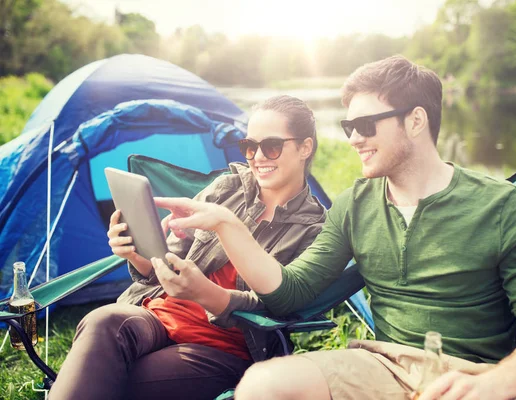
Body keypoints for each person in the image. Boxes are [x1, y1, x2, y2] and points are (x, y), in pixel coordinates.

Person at [154, 55, 516, 400]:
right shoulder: (356, 203)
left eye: (366, 126)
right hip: (383, 365)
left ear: (415, 121)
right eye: (348, 127)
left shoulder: (498, 204)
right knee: (263, 385)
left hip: (480, 375)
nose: (353, 139)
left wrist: (499, 383)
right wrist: (228, 224)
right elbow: (289, 291)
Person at [48, 95, 326, 400]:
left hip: (222, 345)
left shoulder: (313, 230)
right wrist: (137, 254)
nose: (258, 157)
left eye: (271, 145)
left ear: (305, 147)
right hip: (158, 315)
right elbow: (167, 263)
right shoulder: (227, 188)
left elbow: (283, 306)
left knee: (117, 375)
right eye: (249, 146)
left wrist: (205, 293)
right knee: (102, 321)